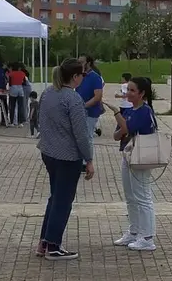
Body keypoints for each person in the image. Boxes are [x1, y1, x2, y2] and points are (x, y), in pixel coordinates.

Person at [34, 60, 96, 260]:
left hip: (49, 152)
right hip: (67, 156)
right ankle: (53, 246)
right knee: (63, 200)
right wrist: (89, 159)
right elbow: (81, 134)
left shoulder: (48, 93)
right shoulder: (73, 99)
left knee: (55, 197)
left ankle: (44, 241)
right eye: (82, 75)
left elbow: (39, 121)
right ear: (76, 77)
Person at [112, 76, 158, 251]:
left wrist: (117, 113)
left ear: (142, 93)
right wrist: (121, 123)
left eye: (132, 90)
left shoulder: (145, 111)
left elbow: (127, 129)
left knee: (142, 196)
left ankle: (147, 237)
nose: (128, 94)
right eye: (127, 90)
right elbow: (118, 135)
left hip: (141, 157)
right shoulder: (130, 110)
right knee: (130, 196)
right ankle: (134, 231)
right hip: (127, 154)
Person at [77, 55, 105, 138]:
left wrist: (84, 106)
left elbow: (97, 97)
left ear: (88, 63)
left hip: (90, 113)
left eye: (81, 62)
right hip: (80, 112)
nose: (79, 64)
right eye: (78, 62)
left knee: (87, 138)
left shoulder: (95, 77)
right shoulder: (80, 76)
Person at [8, 63, 28, 127]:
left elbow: (10, 83)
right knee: (20, 106)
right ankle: (20, 122)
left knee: (12, 106)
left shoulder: (11, 74)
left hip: (13, 89)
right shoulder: (22, 73)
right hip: (20, 89)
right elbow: (24, 82)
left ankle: (12, 122)